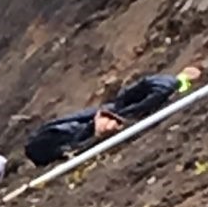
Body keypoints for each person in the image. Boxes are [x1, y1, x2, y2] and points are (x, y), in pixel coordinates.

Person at [25, 67, 202, 167]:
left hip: (79, 129)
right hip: (83, 127)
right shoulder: (168, 85)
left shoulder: (169, 86)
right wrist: (113, 117)